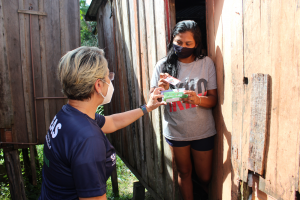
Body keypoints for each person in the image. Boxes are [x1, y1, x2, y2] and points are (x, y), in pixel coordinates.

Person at [39, 46, 166, 200]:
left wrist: (147, 107)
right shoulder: (88, 139)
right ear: (98, 85)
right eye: (108, 76)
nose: (110, 81)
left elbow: (111, 122)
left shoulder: (69, 114)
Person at [150, 20, 218, 200]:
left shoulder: (206, 64)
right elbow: (153, 100)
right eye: (179, 42)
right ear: (172, 39)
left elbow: (213, 100)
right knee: (184, 173)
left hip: (203, 130)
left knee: (205, 177)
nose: (182, 47)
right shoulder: (162, 66)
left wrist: (198, 99)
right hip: (176, 131)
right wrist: (161, 90)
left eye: (188, 44)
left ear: (197, 44)